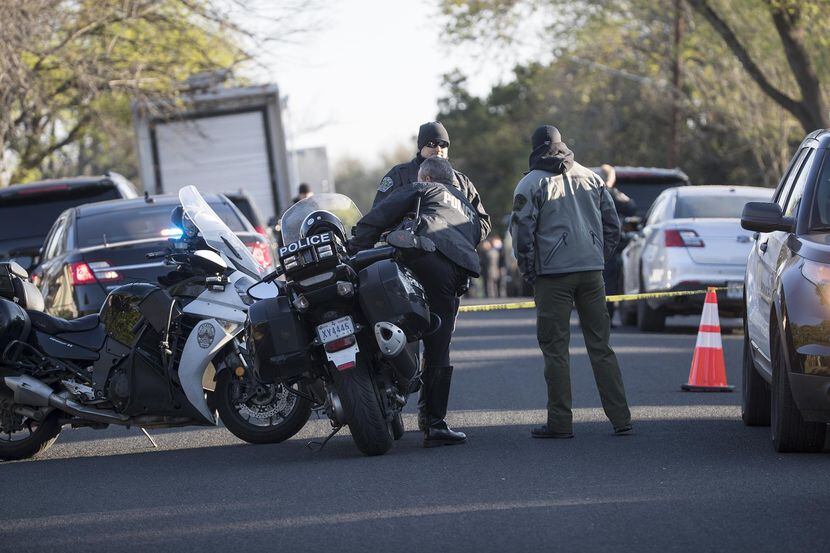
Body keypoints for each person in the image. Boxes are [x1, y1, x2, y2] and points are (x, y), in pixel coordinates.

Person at [510, 125, 632, 438]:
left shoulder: (530, 183)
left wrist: (529, 271)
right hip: (592, 272)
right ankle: (621, 419)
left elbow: (522, 233)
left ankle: (560, 423)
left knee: (556, 350)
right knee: (601, 347)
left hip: (553, 276)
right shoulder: (593, 178)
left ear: (535, 148)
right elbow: (612, 226)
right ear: (562, 145)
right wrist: (597, 257)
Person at [350, 156, 481, 447]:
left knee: (377, 313)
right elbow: (476, 236)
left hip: (423, 256)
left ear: (426, 178)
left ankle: (378, 385)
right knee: (438, 345)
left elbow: (384, 212)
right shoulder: (468, 207)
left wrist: (356, 245)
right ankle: (434, 425)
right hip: (454, 275)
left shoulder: (426, 190)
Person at [374, 121, 490, 241]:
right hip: (408, 251)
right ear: (421, 147)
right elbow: (378, 214)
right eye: (432, 144)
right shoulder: (399, 174)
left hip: (454, 252)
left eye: (443, 144)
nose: (438, 148)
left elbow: (483, 222)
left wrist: (464, 237)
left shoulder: (462, 182)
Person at [597, 165, 637, 324]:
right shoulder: (610, 193)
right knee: (608, 284)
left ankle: (586, 319)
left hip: (588, 246)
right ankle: (606, 320)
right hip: (608, 247)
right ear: (611, 178)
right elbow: (631, 208)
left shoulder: (586, 191)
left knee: (587, 283)